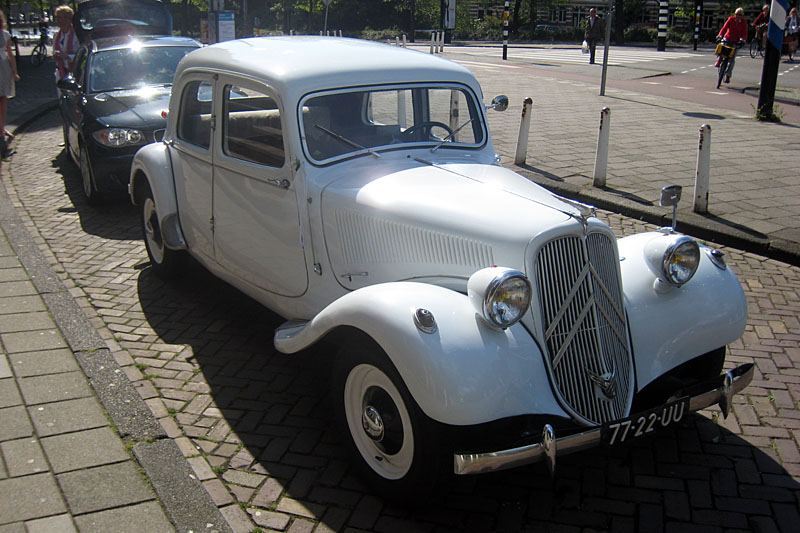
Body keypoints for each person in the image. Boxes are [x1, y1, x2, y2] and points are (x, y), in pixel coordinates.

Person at [0, 10, 19, 159]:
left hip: (3, 68)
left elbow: (10, 54)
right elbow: (9, 54)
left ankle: (2, 127)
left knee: (3, 98)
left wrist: (14, 71)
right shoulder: (5, 34)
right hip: (3, 67)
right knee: (2, 99)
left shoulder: (5, 34)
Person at [716, 7, 748, 84]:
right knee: (721, 47)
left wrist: (743, 40)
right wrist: (720, 35)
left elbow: (744, 32)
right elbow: (724, 28)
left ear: (742, 15)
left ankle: (728, 76)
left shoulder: (744, 22)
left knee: (732, 60)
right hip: (728, 38)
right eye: (736, 14)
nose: (738, 16)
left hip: (736, 41)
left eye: (740, 15)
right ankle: (719, 60)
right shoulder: (730, 19)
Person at [53, 5, 78, 84]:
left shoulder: (76, 35)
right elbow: (55, 50)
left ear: (68, 19)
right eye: (56, 17)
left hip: (75, 72)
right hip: (61, 72)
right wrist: (55, 55)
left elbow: (82, 54)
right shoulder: (57, 35)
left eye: (60, 17)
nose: (57, 20)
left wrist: (66, 56)